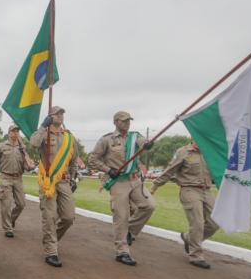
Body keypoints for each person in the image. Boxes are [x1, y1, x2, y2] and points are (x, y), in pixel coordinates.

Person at [88, 111, 156, 266]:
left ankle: (130, 231)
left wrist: (148, 144)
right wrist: (107, 170)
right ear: (116, 122)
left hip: (135, 180)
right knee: (121, 216)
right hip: (118, 182)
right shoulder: (106, 140)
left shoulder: (135, 136)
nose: (127, 123)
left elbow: (143, 142)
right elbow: (92, 159)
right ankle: (122, 252)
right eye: (124, 121)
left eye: (129, 120)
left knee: (149, 205)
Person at [150, 140, 219, 269]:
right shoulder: (183, 152)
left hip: (207, 190)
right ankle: (195, 255)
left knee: (215, 222)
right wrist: (155, 186)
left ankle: (188, 238)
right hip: (189, 189)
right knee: (197, 223)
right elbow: (170, 170)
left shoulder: (209, 152)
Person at [29, 107, 78, 267]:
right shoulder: (43, 134)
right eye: (57, 113)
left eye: (62, 113)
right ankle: (51, 251)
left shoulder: (69, 137)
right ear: (50, 116)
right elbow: (33, 144)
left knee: (69, 217)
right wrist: (43, 126)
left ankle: (52, 239)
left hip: (64, 181)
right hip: (48, 181)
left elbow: (73, 159)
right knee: (49, 217)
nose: (60, 115)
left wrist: (73, 178)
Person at [0, 125, 29, 239]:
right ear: (8, 133)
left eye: (17, 131)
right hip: (6, 178)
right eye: (13, 131)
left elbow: (25, 164)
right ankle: (8, 228)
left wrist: (29, 166)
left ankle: (11, 219)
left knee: (21, 204)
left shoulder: (22, 148)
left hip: (18, 178)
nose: (15, 133)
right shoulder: (2, 146)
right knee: (6, 204)